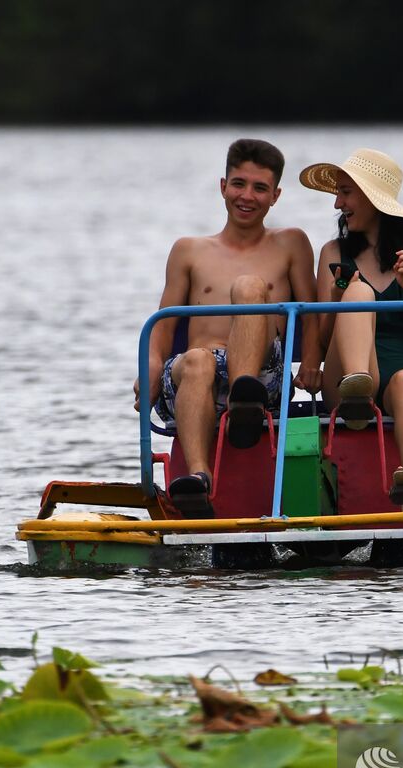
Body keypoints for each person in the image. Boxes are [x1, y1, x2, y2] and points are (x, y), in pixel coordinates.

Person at [134, 139, 320, 517]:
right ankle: (197, 480)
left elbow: (312, 314)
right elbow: (164, 325)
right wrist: (150, 370)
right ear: (223, 187)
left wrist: (312, 362)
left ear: (276, 196)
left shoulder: (291, 244)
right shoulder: (189, 250)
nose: (246, 196)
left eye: (260, 188)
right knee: (199, 360)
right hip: (194, 378)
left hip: (262, 379)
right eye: (239, 184)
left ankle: (243, 397)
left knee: (250, 286)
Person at [299, 149, 403, 506]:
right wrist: (342, 296)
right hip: (348, 378)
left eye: (346, 193)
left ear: (373, 198)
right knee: (357, 290)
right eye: (338, 193)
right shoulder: (333, 252)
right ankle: (358, 393)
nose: (337, 203)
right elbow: (322, 339)